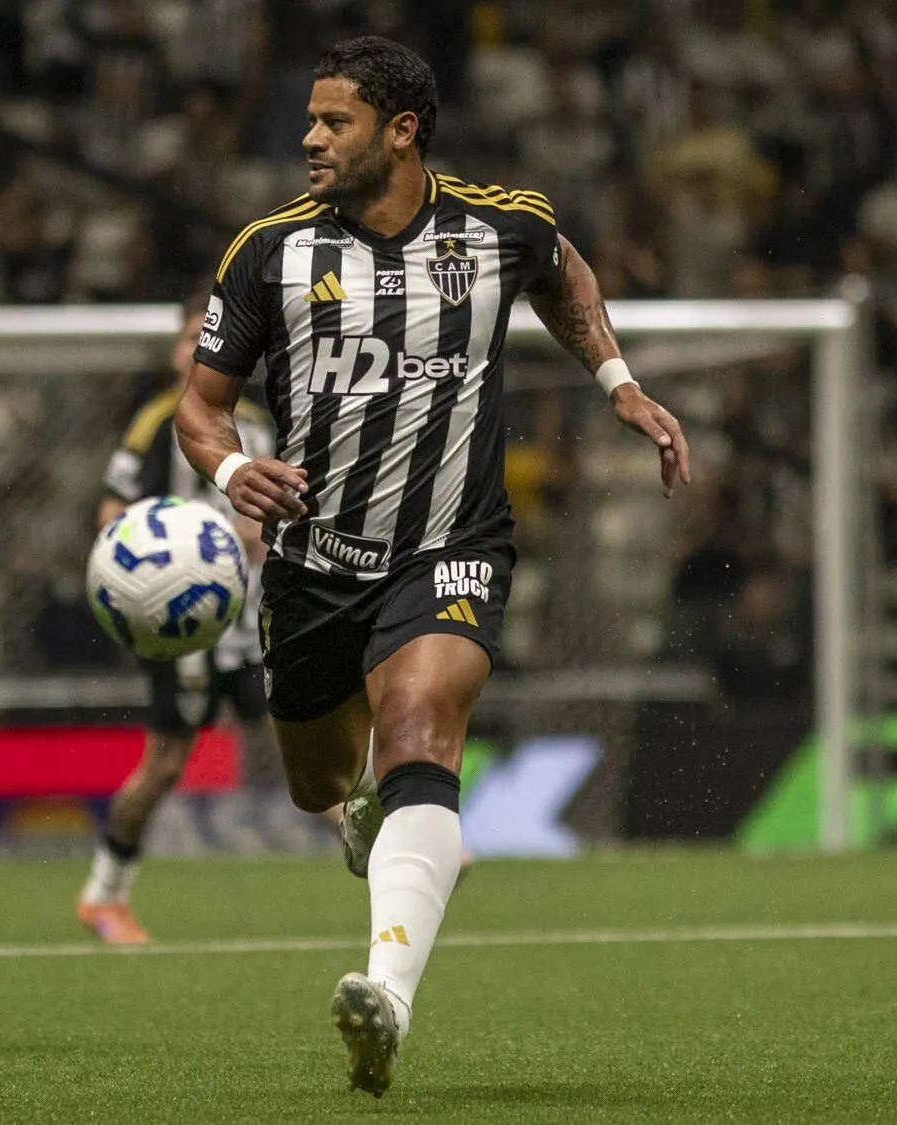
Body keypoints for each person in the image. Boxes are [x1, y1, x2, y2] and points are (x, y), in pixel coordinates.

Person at [176, 38, 692, 1096]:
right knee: (320, 783)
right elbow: (200, 404)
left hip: (450, 545)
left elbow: (564, 273)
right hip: (314, 563)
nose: (309, 139)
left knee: (418, 726)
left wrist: (617, 381)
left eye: (334, 122)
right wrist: (230, 466)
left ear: (401, 131)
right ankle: (368, 806)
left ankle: (387, 999)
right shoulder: (268, 251)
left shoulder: (500, 226)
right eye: (310, 120)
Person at [76, 292, 278, 945]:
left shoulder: (260, 423)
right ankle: (104, 893)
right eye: (190, 338)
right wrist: (171, 554)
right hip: (184, 624)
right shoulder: (155, 421)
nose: (198, 349)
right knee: (164, 766)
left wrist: (269, 534)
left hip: (255, 620)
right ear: (174, 351)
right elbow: (112, 514)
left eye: (208, 338)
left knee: (306, 744)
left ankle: (399, 859)